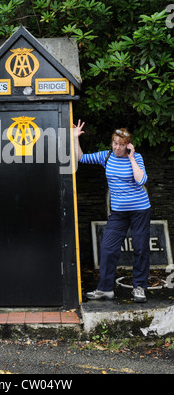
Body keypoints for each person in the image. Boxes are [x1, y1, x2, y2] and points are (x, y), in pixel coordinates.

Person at [73, 120, 151, 303]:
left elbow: (141, 180)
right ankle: (105, 289)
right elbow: (81, 158)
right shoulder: (105, 156)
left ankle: (139, 288)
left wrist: (131, 158)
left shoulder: (136, 158)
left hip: (140, 210)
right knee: (108, 248)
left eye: (122, 145)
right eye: (115, 143)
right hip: (118, 212)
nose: (117, 148)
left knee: (140, 248)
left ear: (128, 146)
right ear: (112, 143)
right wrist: (76, 138)